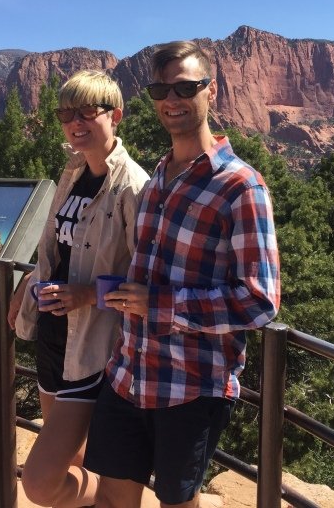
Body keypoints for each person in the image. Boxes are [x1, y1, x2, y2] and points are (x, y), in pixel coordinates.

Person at [84, 41, 280, 508]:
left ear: (211, 90)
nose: (171, 99)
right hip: (128, 374)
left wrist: (159, 304)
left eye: (185, 87)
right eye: (159, 89)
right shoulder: (157, 180)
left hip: (192, 386)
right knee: (111, 499)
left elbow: (260, 300)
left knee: (177, 504)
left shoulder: (240, 187)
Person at [8, 69, 149, 508]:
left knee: (41, 483)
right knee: (77, 456)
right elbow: (57, 251)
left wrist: (89, 295)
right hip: (54, 340)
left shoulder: (133, 187)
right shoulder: (71, 172)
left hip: (93, 348)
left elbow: (149, 282)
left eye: (89, 110)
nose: (76, 121)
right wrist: (29, 281)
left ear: (116, 115)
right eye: (67, 112)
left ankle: (105, 499)